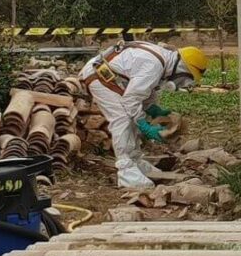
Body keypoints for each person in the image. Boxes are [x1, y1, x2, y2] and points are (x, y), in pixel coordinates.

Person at [81, 41, 209, 188]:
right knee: (122, 118)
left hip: (109, 76)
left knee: (131, 115)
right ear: (181, 68)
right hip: (99, 76)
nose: (180, 84)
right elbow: (131, 99)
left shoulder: (162, 62)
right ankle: (126, 171)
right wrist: (144, 126)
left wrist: (153, 109)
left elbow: (144, 92)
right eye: (184, 79)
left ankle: (136, 162)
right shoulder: (154, 65)